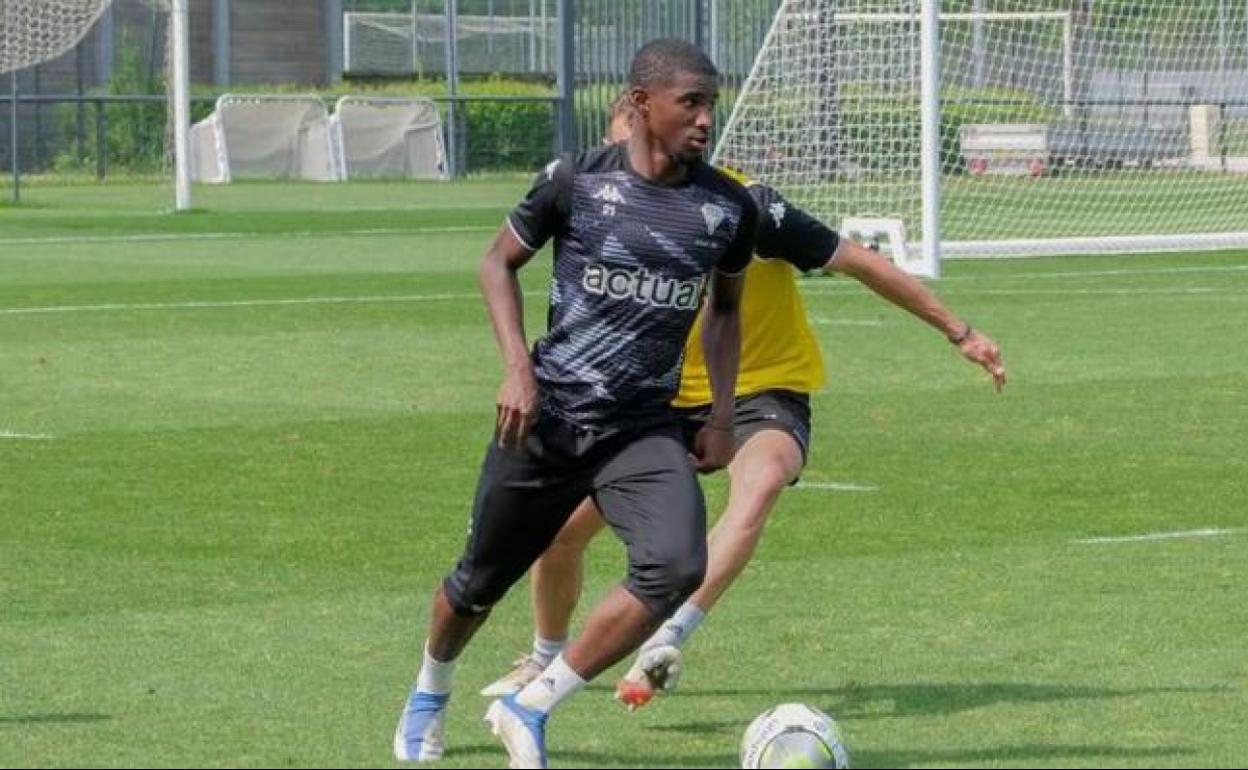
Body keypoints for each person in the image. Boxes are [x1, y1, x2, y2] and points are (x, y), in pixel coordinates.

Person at [480, 91, 1007, 709]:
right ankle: (544, 656)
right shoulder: (598, 200)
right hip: (652, 399)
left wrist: (960, 332)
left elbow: (860, 262)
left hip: (762, 387)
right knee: (561, 533)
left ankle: (667, 636)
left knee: (763, 479)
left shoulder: (742, 206)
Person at [392, 39, 759, 769]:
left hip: (643, 429)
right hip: (547, 418)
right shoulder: (575, 181)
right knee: (476, 585)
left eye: (711, 104)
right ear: (640, 103)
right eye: (690, 102)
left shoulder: (726, 207)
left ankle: (530, 705)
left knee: (676, 566)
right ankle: (429, 693)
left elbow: (724, 311)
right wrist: (516, 370)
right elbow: (497, 263)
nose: (705, 119)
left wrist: (721, 414)